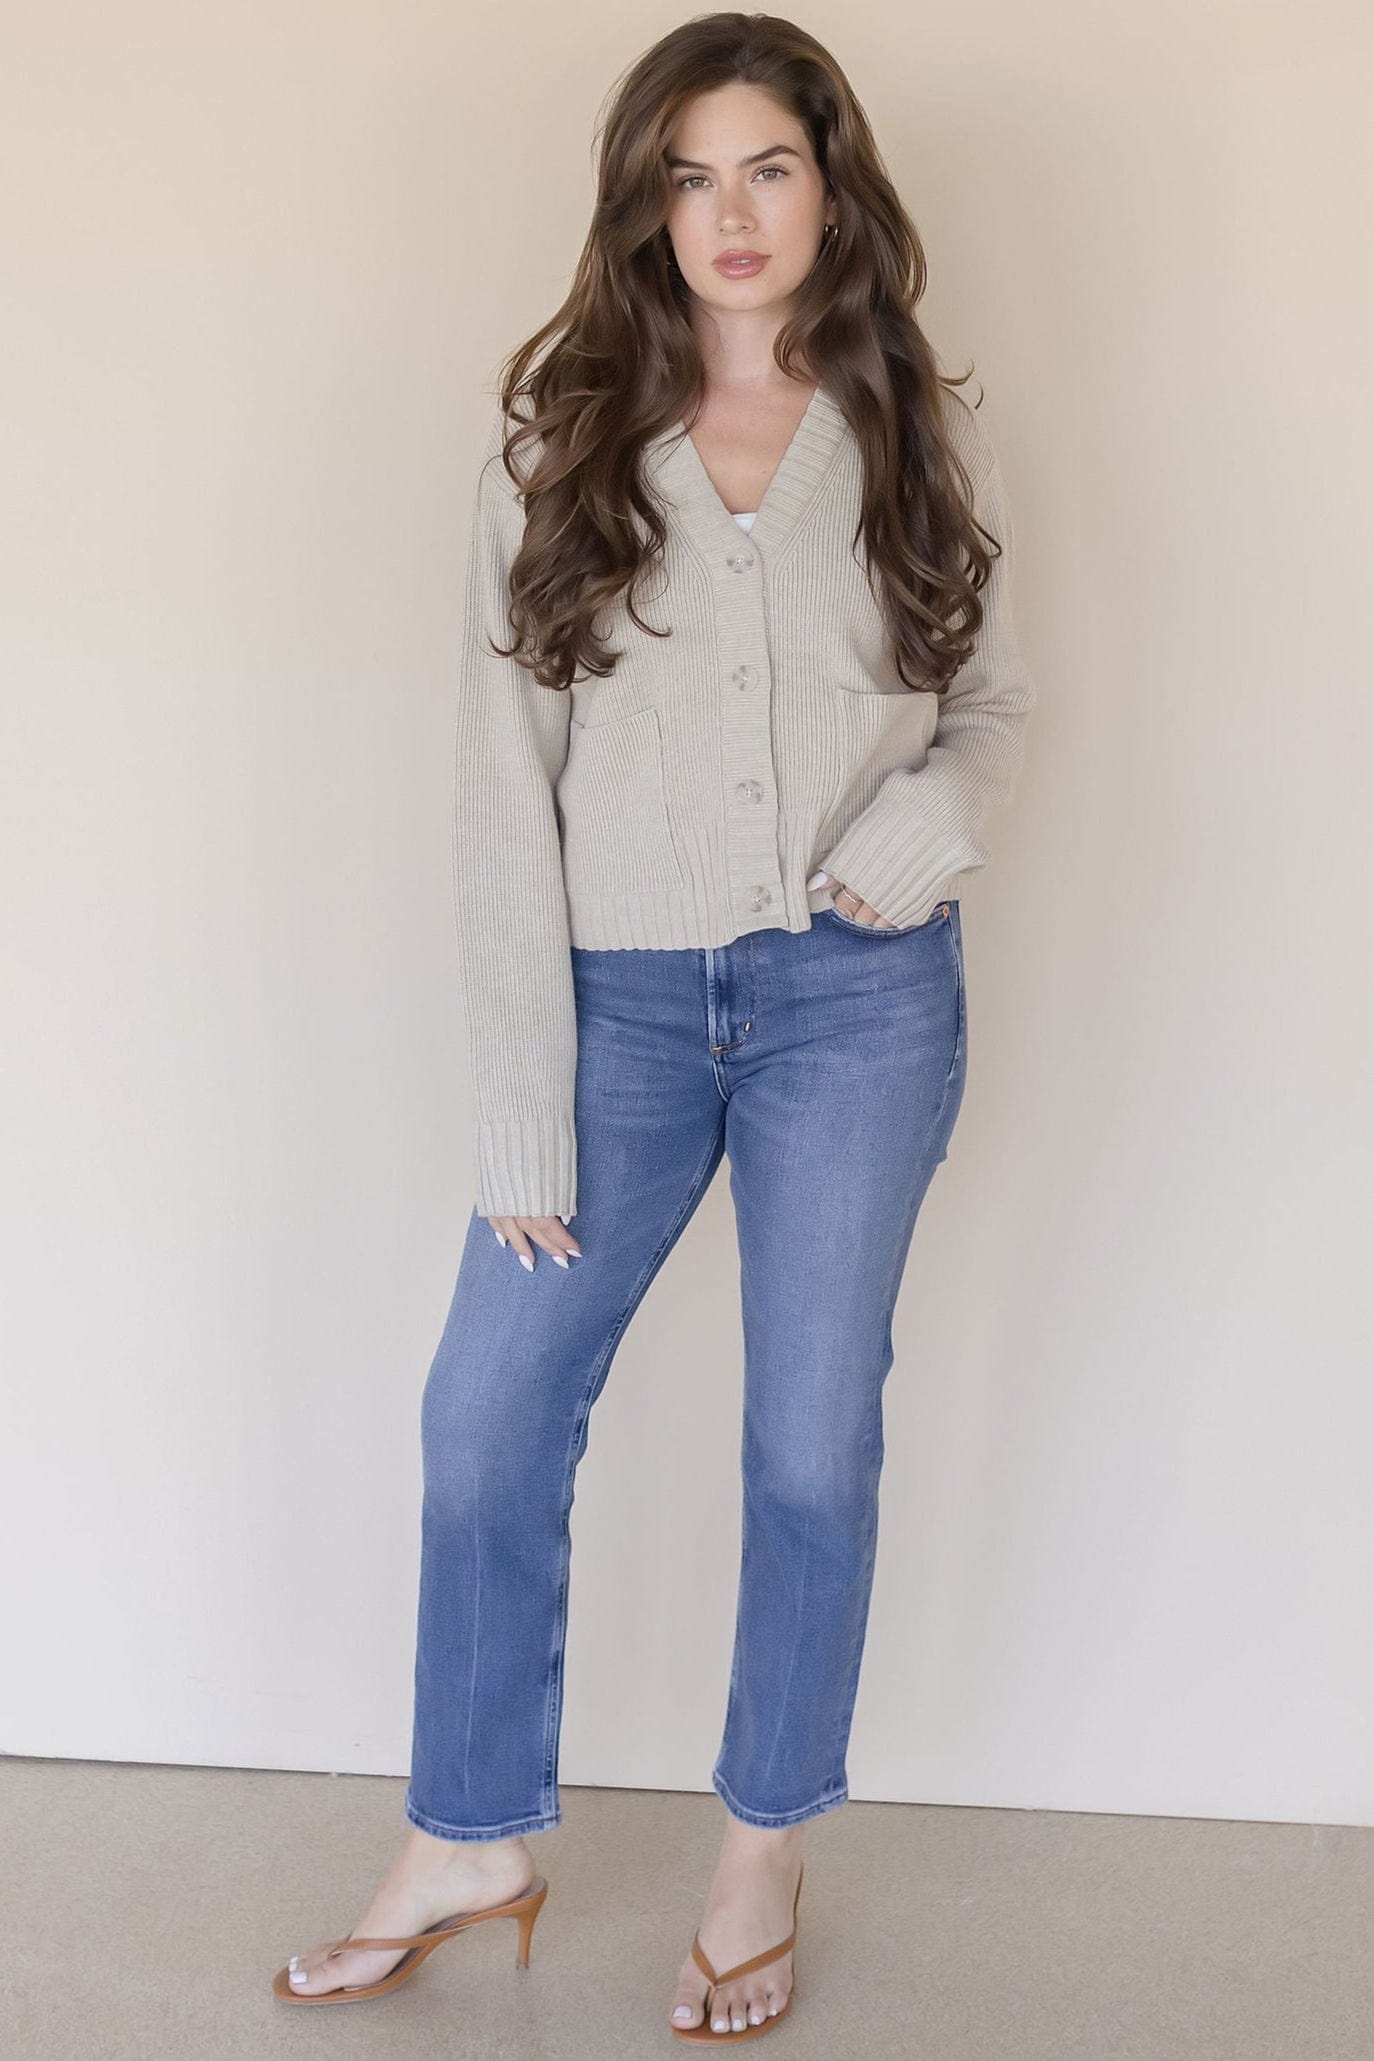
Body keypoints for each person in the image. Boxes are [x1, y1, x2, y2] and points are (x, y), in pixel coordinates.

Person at [274, 11, 1035, 2041]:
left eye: (768, 167)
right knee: (485, 1415)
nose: (731, 212)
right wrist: (524, 1109)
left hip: (856, 1003)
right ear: (645, 207)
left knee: (810, 1439)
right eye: (690, 177)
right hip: (610, 1010)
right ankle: (466, 1836)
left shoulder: (918, 432)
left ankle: (761, 1846)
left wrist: (929, 823)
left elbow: (990, 704)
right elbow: (496, 794)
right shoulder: (555, 452)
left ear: (831, 190)